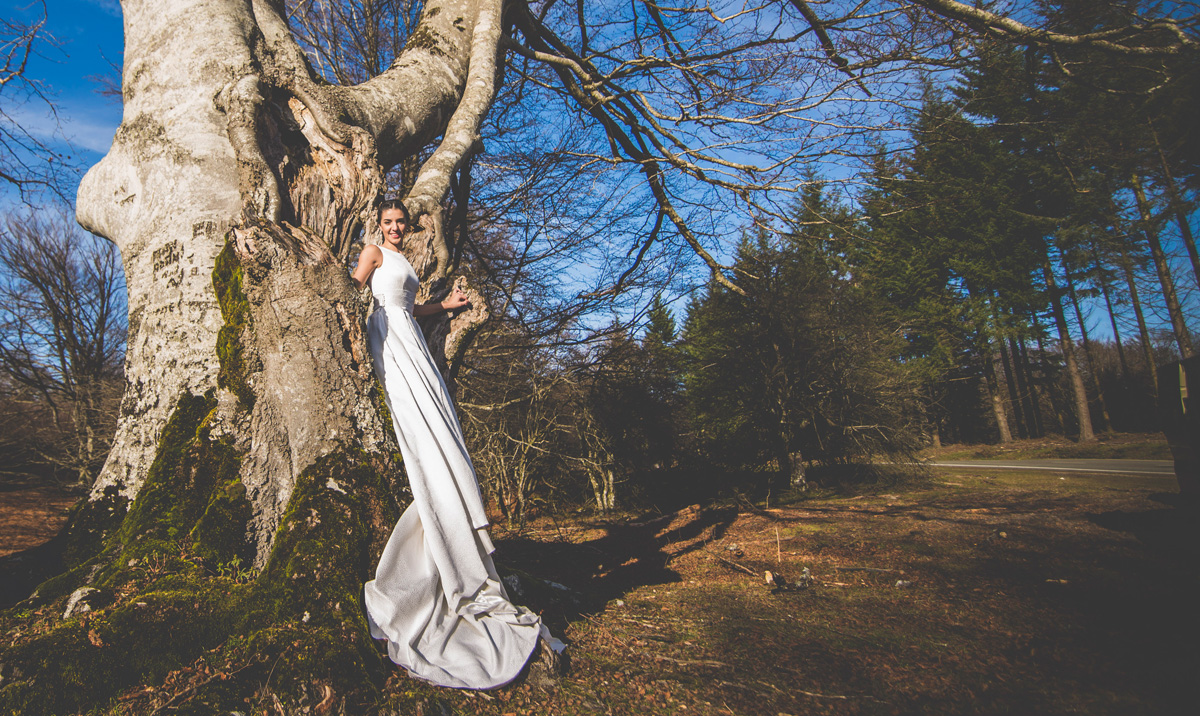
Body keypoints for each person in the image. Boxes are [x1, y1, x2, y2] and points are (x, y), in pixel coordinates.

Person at [351, 199, 562, 689]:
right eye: (389, 222)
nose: (396, 227)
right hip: (388, 337)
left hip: (410, 333)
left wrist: (443, 307)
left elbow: (407, 303)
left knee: (442, 421)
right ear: (379, 225)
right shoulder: (372, 251)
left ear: (410, 224)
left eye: (401, 221)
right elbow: (354, 291)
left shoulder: (405, 261)